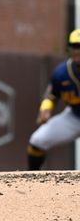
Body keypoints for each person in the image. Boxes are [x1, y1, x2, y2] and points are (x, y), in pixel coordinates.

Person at [27, 30, 80, 170]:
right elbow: (51, 95)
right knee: (37, 140)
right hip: (74, 117)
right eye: (74, 46)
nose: (77, 51)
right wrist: (45, 108)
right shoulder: (62, 72)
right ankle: (31, 181)